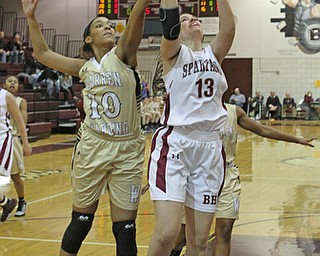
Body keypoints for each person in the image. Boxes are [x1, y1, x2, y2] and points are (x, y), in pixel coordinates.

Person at [21, 0, 150, 255]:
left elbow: (136, 16)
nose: (108, 28)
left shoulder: (123, 55)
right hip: (93, 146)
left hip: (127, 149)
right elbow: (43, 55)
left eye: (111, 25)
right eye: (100, 25)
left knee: (126, 229)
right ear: (89, 39)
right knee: (81, 221)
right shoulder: (84, 67)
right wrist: (31, 17)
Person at [147, 0, 236, 255]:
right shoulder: (173, 54)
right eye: (186, 19)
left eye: (195, 18)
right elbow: (171, 25)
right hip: (176, 143)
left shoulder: (212, 54)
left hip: (209, 147)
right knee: (166, 235)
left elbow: (228, 30)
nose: (192, 20)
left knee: (198, 242)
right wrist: (174, 13)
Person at [169, 103, 315, 256]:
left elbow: (263, 129)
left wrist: (298, 140)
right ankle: (173, 251)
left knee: (224, 229)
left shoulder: (233, 111)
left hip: (227, 176)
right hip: (199, 176)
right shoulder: (191, 109)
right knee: (185, 235)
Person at [0, 85, 32, 222]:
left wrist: (25, 142)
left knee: (15, 176)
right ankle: (6, 203)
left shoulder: (5, 96)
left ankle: (20, 201)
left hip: (4, 139)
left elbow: (19, 120)